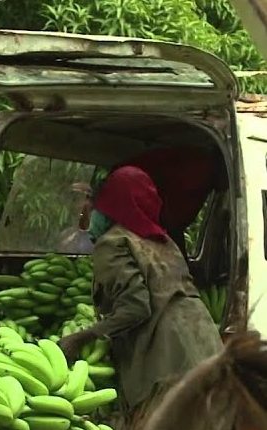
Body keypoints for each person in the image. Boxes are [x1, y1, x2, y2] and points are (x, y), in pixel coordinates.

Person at [57, 166, 223, 429]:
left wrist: (82, 337)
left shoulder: (113, 243)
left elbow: (136, 307)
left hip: (166, 360)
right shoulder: (163, 240)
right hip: (205, 345)